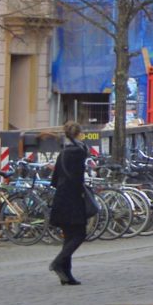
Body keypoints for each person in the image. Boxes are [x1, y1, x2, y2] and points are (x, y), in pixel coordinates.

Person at [46, 121, 89, 286]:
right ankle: (58, 262)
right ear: (79, 134)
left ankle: (66, 274)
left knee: (69, 236)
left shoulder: (63, 153)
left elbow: (55, 179)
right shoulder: (79, 152)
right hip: (74, 197)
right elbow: (79, 177)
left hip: (61, 197)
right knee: (79, 234)